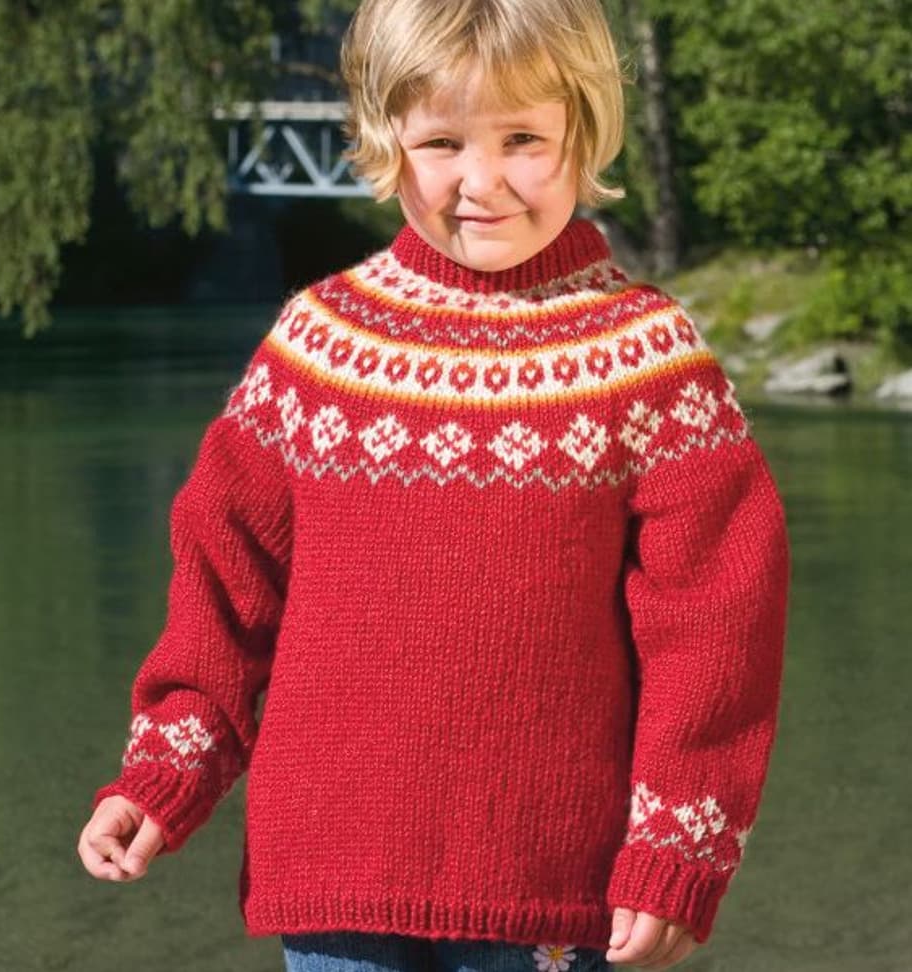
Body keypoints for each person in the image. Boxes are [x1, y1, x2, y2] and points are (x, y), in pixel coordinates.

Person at [77, 0, 791, 969]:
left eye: (524, 139)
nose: (481, 181)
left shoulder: (647, 360)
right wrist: (165, 773)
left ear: (584, 132)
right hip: (333, 869)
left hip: (550, 884)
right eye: (442, 142)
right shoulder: (318, 347)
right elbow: (227, 588)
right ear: (387, 142)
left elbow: (717, 625)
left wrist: (676, 852)